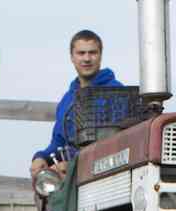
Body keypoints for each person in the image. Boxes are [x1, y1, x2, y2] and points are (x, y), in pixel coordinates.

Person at [29, 29, 121, 182]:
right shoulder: (67, 100)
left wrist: (74, 164)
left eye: (92, 52)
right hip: (70, 177)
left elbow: (116, 143)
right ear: (72, 57)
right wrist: (41, 157)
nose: (87, 58)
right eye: (81, 53)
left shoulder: (117, 93)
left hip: (105, 176)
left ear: (100, 56)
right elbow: (58, 142)